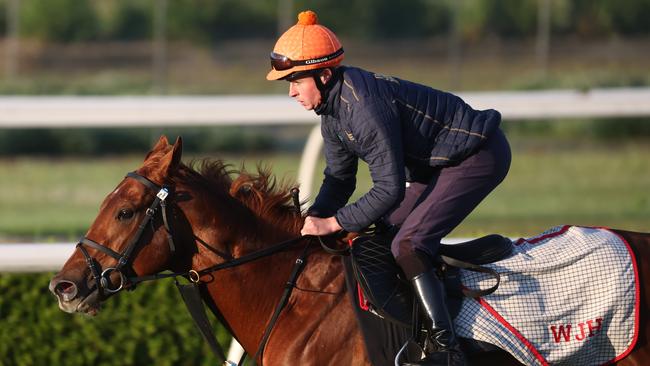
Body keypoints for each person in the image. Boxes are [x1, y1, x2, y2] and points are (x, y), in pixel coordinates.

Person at [267, 10, 511, 366]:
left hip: (477, 155)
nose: (290, 92)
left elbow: (389, 189)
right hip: (436, 165)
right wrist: (314, 218)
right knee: (381, 235)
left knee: (408, 243)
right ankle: (417, 329)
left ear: (323, 75)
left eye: (295, 81)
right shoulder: (333, 111)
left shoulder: (363, 107)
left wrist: (334, 223)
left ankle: (448, 349)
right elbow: (339, 178)